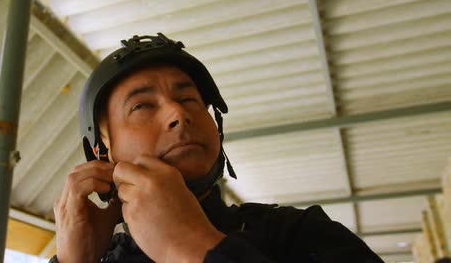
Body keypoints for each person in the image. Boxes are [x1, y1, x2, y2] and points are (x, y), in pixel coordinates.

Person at [49, 33, 383, 263]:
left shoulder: (299, 234)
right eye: (142, 107)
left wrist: (195, 248)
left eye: (188, 99)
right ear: (102, 152)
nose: (178, 113)